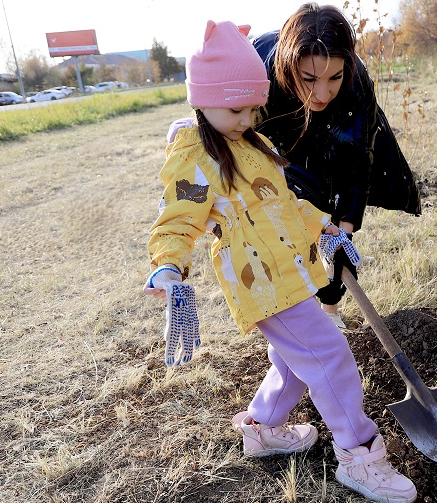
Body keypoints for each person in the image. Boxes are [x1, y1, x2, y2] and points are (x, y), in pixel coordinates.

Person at [144, 19, 417, 503]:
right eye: (235, 108)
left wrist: (328, 229)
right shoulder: (197, 156)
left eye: (254, 107)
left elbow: (285, 205)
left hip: (290, 274)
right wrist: (169, 266)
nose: (248, 117)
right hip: (261, 284)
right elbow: (178, 219)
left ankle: (262, 429)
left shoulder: (248, 144)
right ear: (200, 100)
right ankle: (359, 454)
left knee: (296, 360)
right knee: (330, 356)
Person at [168, 3, 421, 329]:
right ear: (290, 65)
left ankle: (330, 311)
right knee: (290, 215)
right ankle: (302, 307)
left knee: (333, 225)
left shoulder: (355, 84)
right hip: (276, 141)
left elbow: (357, 160)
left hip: (335, 138)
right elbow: (232, 129)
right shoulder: (259, 68)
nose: (322, 92)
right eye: (310, 78)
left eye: (334, 77)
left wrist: (344, 231)